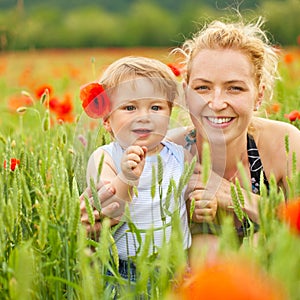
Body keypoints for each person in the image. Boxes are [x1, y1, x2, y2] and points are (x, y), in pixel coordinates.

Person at [166, 16, 300, 264]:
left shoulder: (285, 144)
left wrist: (237, 197)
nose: (216, 104)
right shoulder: (168, 152)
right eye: (203, 88)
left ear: (258, 96)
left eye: (234, 88)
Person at [80, 56, 204, 280]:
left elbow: (194, 197)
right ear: (107, 119)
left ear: (169, 113)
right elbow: (109, 208)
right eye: (129, 107)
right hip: (123, 270)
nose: (144, 117)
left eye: (156, 107)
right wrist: (127, 177)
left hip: (175, 265)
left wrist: (207, 204)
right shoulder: (105, 158)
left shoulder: (180, 156)